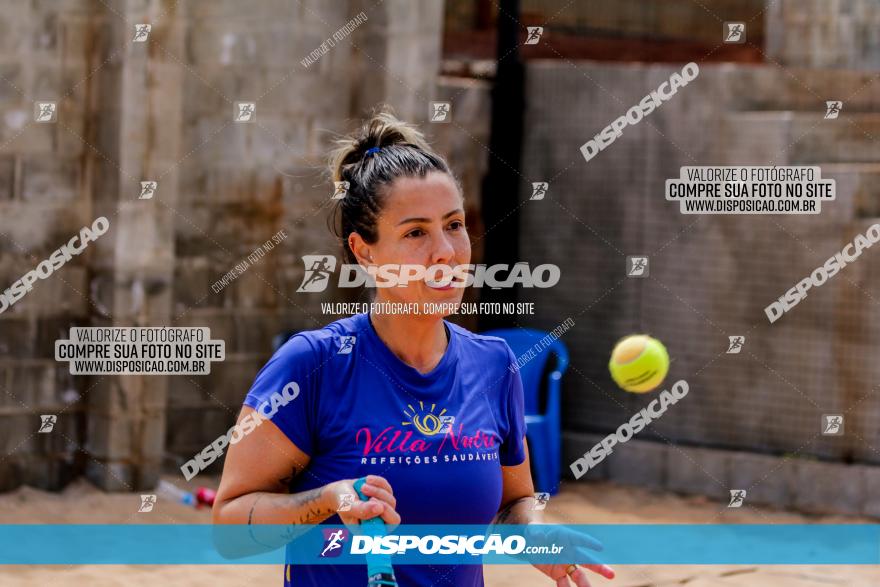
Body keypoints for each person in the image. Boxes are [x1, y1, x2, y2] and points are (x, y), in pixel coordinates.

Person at [212, 109, 614, 586]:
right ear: (365, 252)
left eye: (455, 224)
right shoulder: (311, 366)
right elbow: (230, 526)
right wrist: (327, 499)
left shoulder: (495, 366)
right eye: (416, 233)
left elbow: (512, 503)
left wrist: (537, 538)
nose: (446, 250)